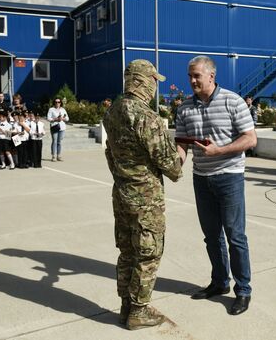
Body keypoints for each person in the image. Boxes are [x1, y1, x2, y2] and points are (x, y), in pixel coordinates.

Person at [103, 59, 182, 331]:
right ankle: (139, 310)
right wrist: (180, 158)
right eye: (152, 81)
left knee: (127, 251)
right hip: (146, 198)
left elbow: (109, 155)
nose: (153, 88)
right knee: (148, 254)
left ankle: (126, 305)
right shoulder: (145, 116)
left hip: (122, 192)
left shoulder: (112, 112)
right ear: (141, 81)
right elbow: (170, 165)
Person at [176, 55, 256, 316]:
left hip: (229, 176)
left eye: (196, 75)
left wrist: (220, 151)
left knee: (235, 235)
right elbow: (182, 142)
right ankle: (220, 282)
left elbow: (250, 139)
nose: (191, 80)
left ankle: (243, 290)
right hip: (201, 178)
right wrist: (177, 161)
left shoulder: (232, 101)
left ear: (211, 75)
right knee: (211, 236)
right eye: (189, 76)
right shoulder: (185, 106)